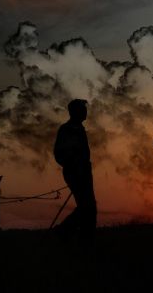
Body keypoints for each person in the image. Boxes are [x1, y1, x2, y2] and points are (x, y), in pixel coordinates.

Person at [53, 99, 97, 240]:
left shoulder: (78, 128)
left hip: (84, 172)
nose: (85, 112)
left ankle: (83, 237)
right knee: (87, 207)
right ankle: (64, 232)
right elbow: (59, 154)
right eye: (83, 109)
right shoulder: (67, 129)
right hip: (75, 172)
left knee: (88, 207)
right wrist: (73, 165)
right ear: (75, 111)